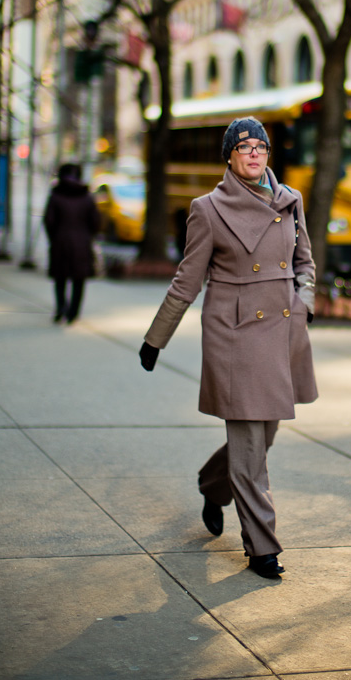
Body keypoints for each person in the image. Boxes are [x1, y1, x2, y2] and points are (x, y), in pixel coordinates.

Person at [139, 116, 317, 579]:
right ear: (230, 156)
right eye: (244, 147)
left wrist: (304, 302)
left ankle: (212, 483)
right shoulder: (208, 209)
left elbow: (305, 262)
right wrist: (156, 338)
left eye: (261, 147)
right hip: (235, 334)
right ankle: (261, 548)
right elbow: (187, 280)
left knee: (265, 438)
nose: (254, 154)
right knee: (251, 445)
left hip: (281, 332)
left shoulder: (290, 200)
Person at [44, 162, 101, 324]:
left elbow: (49, 221)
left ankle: (61, 308)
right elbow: (95, 222)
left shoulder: (55, 196)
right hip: (82, 243)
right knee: (79, 279)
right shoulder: (87, 197)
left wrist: (54, 238)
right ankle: (74, 313)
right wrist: (88, 236)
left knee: (60, 278)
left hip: (60, 242)